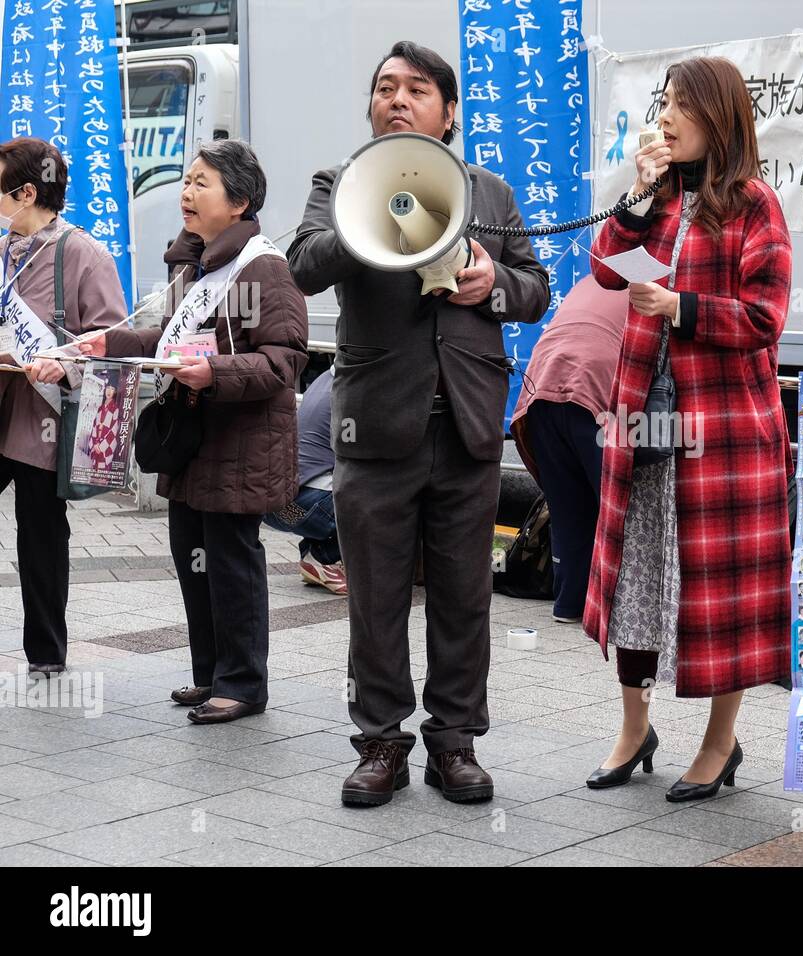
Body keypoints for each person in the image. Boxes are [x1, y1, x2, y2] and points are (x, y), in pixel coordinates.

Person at [288, 41, 549, 806]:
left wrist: (490, 283)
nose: (397, 99)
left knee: (465, 595)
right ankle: (379, 742)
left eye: (417, 89)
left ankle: (454, 743)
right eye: (384, 88)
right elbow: (303, 266)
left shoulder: (491, 195)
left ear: (447, 112)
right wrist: (365, 220)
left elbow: (534, 288)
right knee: (374, 595)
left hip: (466, 425)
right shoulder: (340, 183)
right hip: (374, 426)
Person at [583, 56, 792, 800]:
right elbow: (605, 268)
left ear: (718, 116)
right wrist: (636, 194)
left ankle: (720, 741)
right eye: (663, 103)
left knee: (720, 591)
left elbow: (767, 319)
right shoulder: (661, 199)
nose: (665, 117)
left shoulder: (753, 204)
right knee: (636, 573)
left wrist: (683, 309)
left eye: (681, 106)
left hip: (728, 432)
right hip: (644, 416)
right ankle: (634, 728)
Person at [88, 139, 308, 723]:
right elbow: (167, 343)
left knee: (232, 563)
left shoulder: (264, 268)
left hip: (240, 443)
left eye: (201, 183)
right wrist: (109, 342)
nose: (185, 193)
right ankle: (210, 673)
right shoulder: (198, 266)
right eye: (186, 181)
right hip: (193, 440)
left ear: (239, 202)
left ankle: (243, 683)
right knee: (194, 559)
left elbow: (283, 362)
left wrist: (215, 372)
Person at [0, 137, 128, 675]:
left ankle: (46, 653)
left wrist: (64, 362)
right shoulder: (3, 248)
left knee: (41, 533)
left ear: (26, 192)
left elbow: (113, 341)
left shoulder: (82, 253)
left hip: (41, 419)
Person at [510, 275, 628, 623]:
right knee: (617, 507)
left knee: (567, 508)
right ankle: (615, 610)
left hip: (543, 387)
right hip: (594, 391)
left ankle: (568, 603)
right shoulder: (654, 283)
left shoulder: (595, 279)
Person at [263, 366, 346, 594]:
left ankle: (314, 555)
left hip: (279, 506)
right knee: (379, 492)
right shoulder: (350, 389)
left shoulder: (324, 378)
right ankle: (325, 557)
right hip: (307, 505)